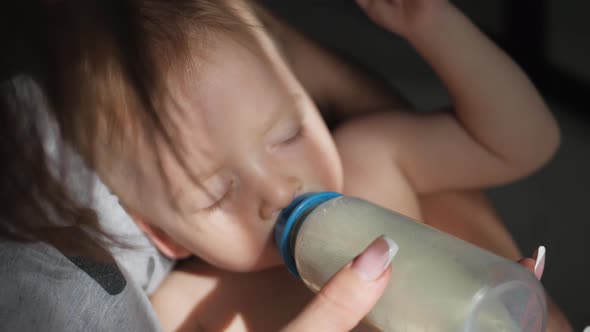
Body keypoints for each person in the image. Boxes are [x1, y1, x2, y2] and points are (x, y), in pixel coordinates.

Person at [0, 1, 570, 332]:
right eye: (216, 195)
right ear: (163, 237)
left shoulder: (371, 158)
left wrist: (433, 25)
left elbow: (525, 143)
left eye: (289, 133)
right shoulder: (193, 308)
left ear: (303, 88)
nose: (278, 189)